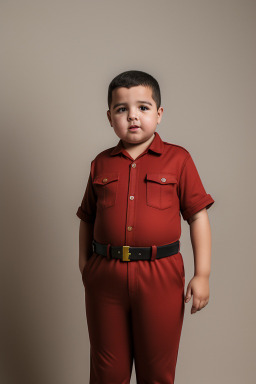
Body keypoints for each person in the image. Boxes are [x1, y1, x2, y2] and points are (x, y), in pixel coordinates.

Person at [76, 70, 215, 384]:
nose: (133, 117)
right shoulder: (101, 163)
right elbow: (87, 217)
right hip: (105, 276)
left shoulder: (178, 160)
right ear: (110, 116)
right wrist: (86, 266)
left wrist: (202, 274)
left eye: (143, 107)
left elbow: (197, 216)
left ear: (159, 114)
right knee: (106, 372)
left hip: (160, 275)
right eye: (122, 109)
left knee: (156, 372)